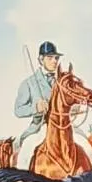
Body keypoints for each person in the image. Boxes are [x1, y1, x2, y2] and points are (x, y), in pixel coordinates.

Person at [13, 41, 62, 170]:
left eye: (56, 58)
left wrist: (74, 107)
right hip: (41, 127)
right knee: (26, 150)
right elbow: (18, 110)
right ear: (41, 59)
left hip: (63, 127)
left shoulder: (63, 82)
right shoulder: (29, 83)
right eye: (50, 58)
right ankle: (23, 180)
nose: (54, 61)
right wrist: (36, 108)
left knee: (87, 148)